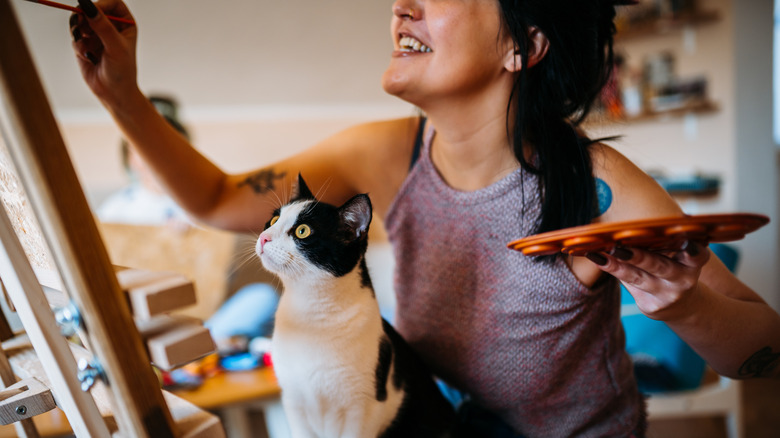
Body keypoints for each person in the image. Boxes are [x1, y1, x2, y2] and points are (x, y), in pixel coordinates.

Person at [69, 0, 780, 436]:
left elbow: (763, 347)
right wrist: (123, 95)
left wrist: (686, 309)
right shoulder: (384, 155)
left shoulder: (594, 185)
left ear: (523, 46)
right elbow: (219, 201)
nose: (401, 6)